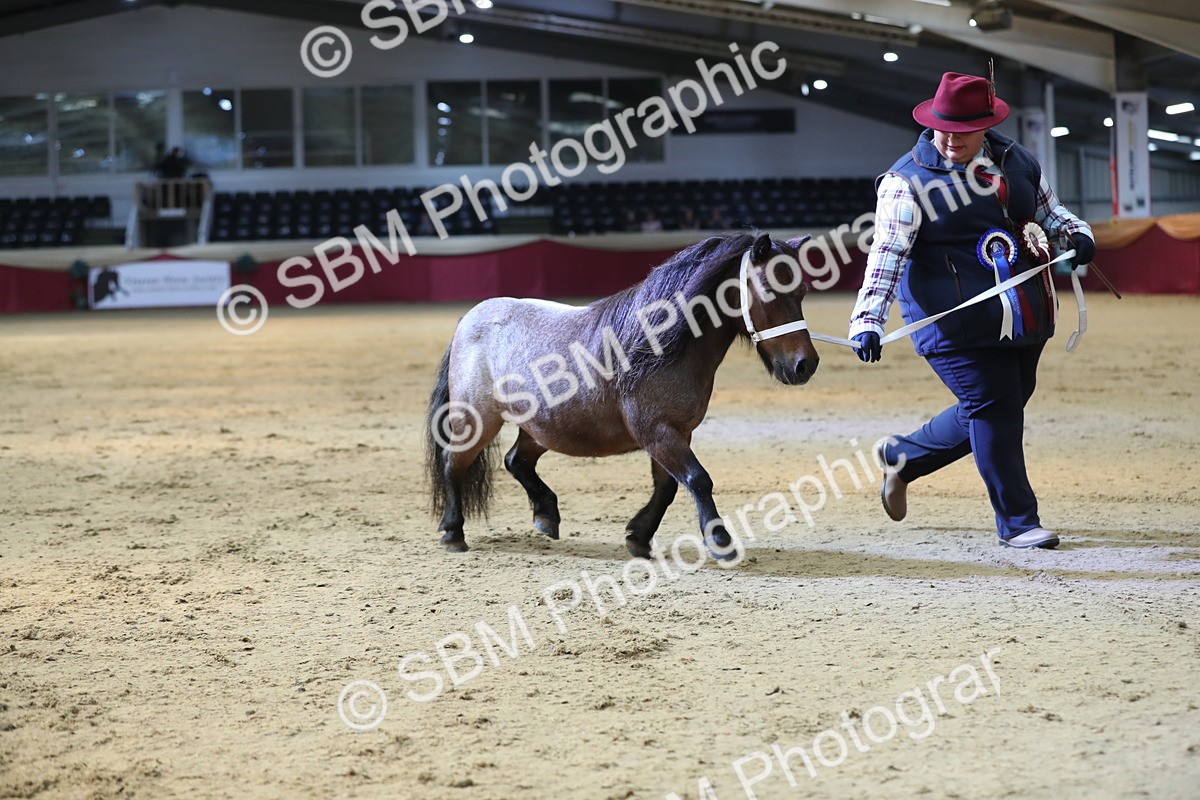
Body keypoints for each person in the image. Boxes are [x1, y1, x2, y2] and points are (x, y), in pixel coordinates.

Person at [849, 71, 1096, 550]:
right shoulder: (905, 182)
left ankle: (903, 456)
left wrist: (1077, 234)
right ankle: (1019, 522)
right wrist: (868, 318)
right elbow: (886, 253)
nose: (949, 139)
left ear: (986, 124)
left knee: (1000, 402)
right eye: (942, 127)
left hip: (1024, 310)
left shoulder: (1017, 160)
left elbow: (1049, 213)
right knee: (995, 406)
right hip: (949, 320)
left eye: (961, 130)